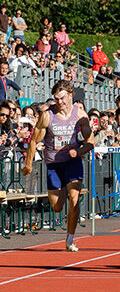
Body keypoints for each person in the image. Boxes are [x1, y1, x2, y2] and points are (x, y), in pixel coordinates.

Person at [20, 80, 94, 251]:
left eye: (62, 98)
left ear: (70, 95)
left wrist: (79, 151)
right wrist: (28, 165)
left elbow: (89, 142)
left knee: (74, 199)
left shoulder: (80, 114)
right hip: (53, 164)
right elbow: (33, 141)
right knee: (57, 206)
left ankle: (70, 238)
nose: (60, 102)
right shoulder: (48, 116)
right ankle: (63, 203)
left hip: (73, 162)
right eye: (56, 99)